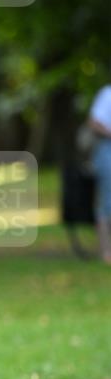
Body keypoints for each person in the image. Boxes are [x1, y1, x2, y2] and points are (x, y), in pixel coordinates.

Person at [88, 83, 111, 264]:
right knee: (106, 203)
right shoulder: (107, 94)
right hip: (107, 152)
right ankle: (106, 251)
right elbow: (94, 121)